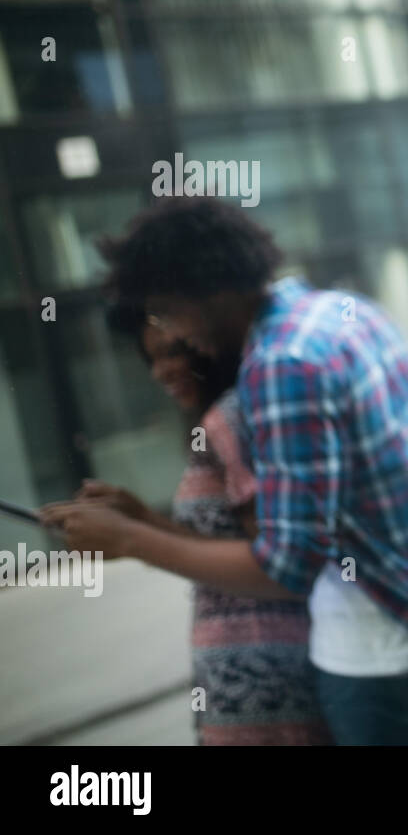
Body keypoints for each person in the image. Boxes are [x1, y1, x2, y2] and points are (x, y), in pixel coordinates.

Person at [43, 196, 408, 745]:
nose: (174, 334)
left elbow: (286, 565)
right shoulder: (342, 311)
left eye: (168, 310)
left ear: (207, 292)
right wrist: (144, 525)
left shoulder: (282, 364)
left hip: (375, 653)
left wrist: (132, 540)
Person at [57, 302, 331, 744]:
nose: (160, 373)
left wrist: (132, 538)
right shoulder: (226, 416)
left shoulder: (231, 418)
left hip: (271, 696)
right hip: (254, 692)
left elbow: (277, 568)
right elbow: (232, 543)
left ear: (206, 342)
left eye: (172, 352)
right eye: (152, 359)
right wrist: (142, 517)